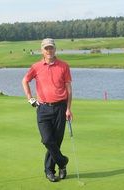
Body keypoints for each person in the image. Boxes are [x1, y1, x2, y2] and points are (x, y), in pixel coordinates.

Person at [22, 38, 73, 182]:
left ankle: (50, 171)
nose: (49, 51)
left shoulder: (64, 66)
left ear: (55, 49)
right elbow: (25, 80)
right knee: (47, 140)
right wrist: (30, 98)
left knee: (56, 142)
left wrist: (68, 109)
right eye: (46, 48)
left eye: (51, 48)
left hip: (60, 108)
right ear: (42, 51)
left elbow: (69, 89)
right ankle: (62, 162)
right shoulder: (36, 66)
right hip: (43, 108)